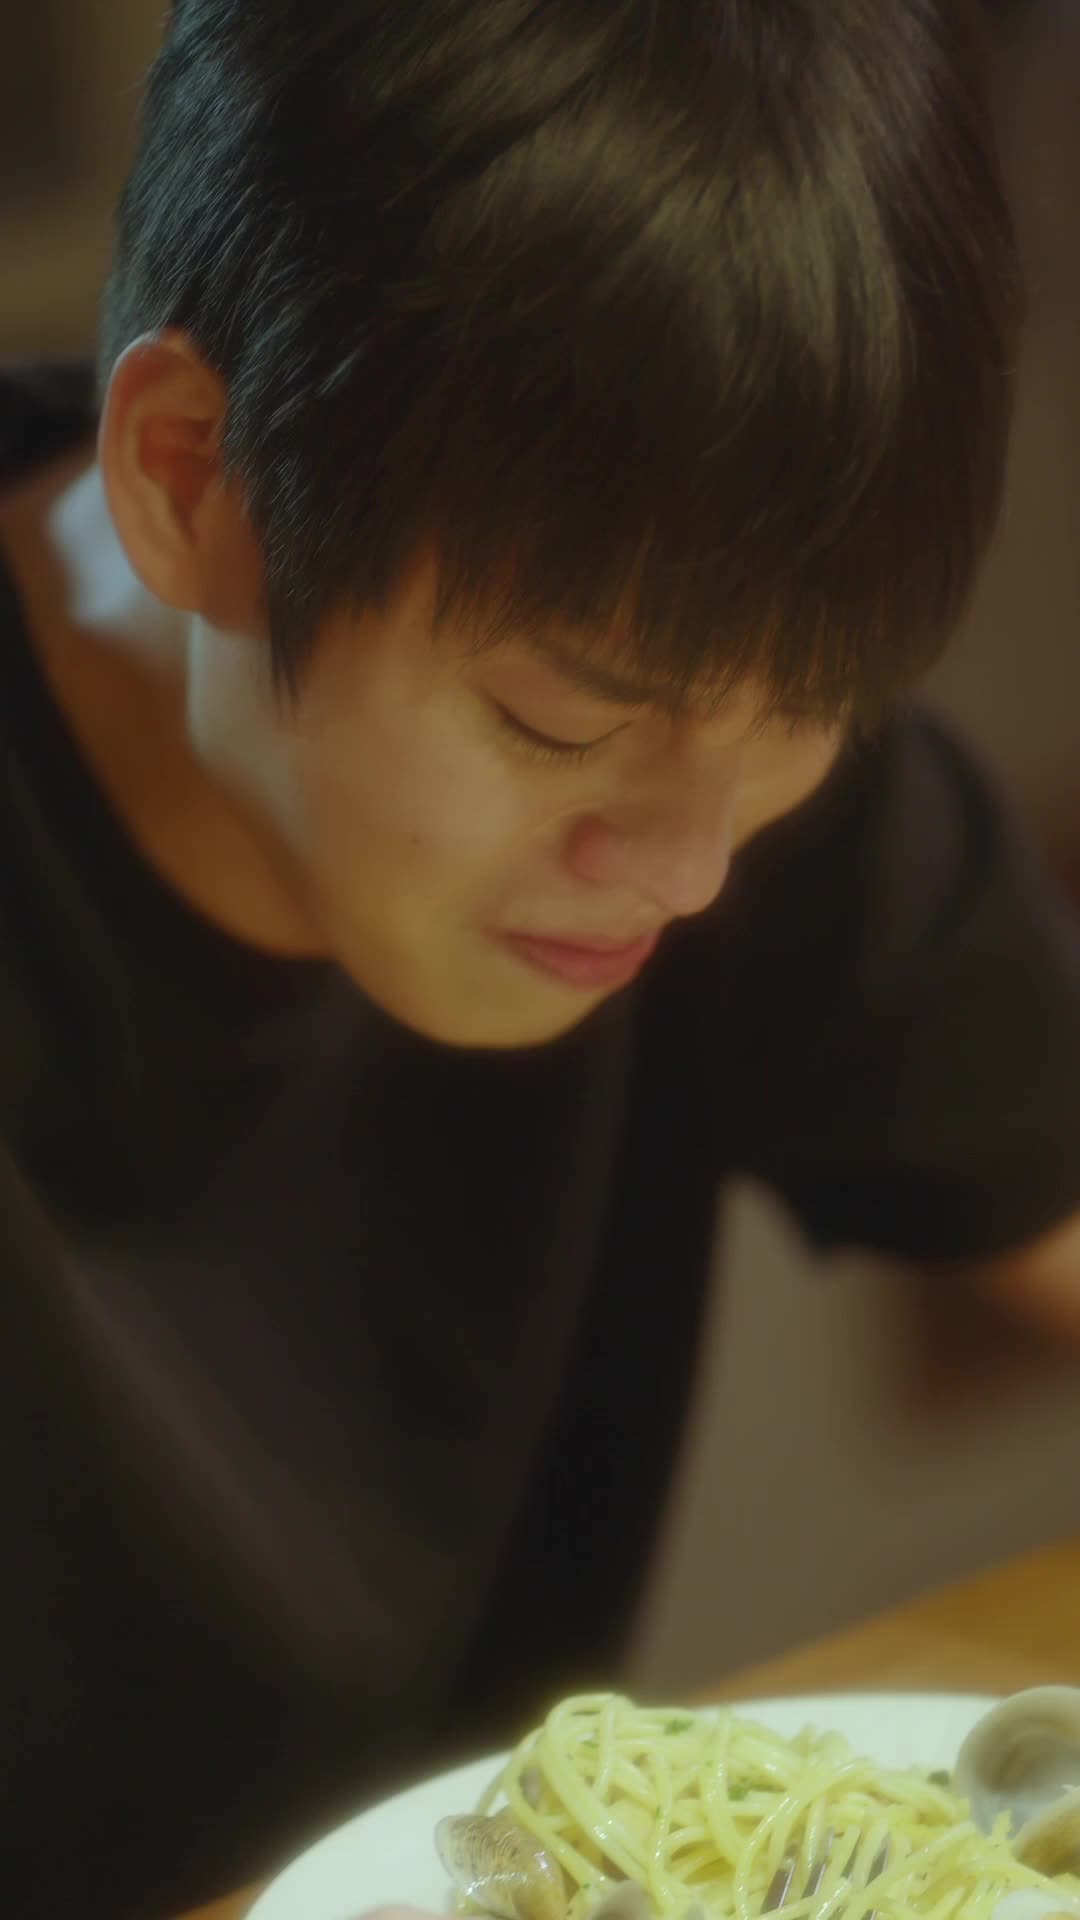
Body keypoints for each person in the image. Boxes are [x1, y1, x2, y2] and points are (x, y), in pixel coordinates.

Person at [3, 1, 1080, 1915]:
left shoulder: (710, 713)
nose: (687, 865)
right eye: (556, 722)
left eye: (807, 709)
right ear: (189, 480)